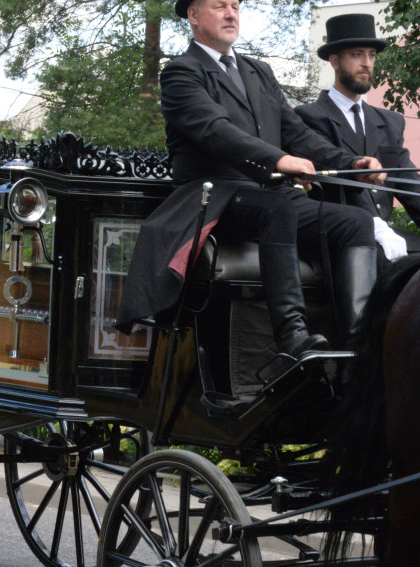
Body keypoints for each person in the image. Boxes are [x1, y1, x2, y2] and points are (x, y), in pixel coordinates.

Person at [116, 0, 392, 354]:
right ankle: (292, 338)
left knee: (355, 223)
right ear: (194, 16)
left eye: (236, 5)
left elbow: (298, 133)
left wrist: (352, 163)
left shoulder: (258, 71)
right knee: (278, 208)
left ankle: (358, 346)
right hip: (217, 197)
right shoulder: (180, 72)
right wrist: (279, 159)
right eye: (220, 6)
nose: (231, 13)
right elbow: (217, 131)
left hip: (273, 196)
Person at [295, 13, 420, 262]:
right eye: (356, 54)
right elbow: (339, 182)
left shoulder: (389, 122)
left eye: (371, 55)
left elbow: (408, 179)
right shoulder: (308, 117)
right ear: (334, 61)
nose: (367, 63)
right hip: (336, 237)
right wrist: (375, 226)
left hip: (386, 237)